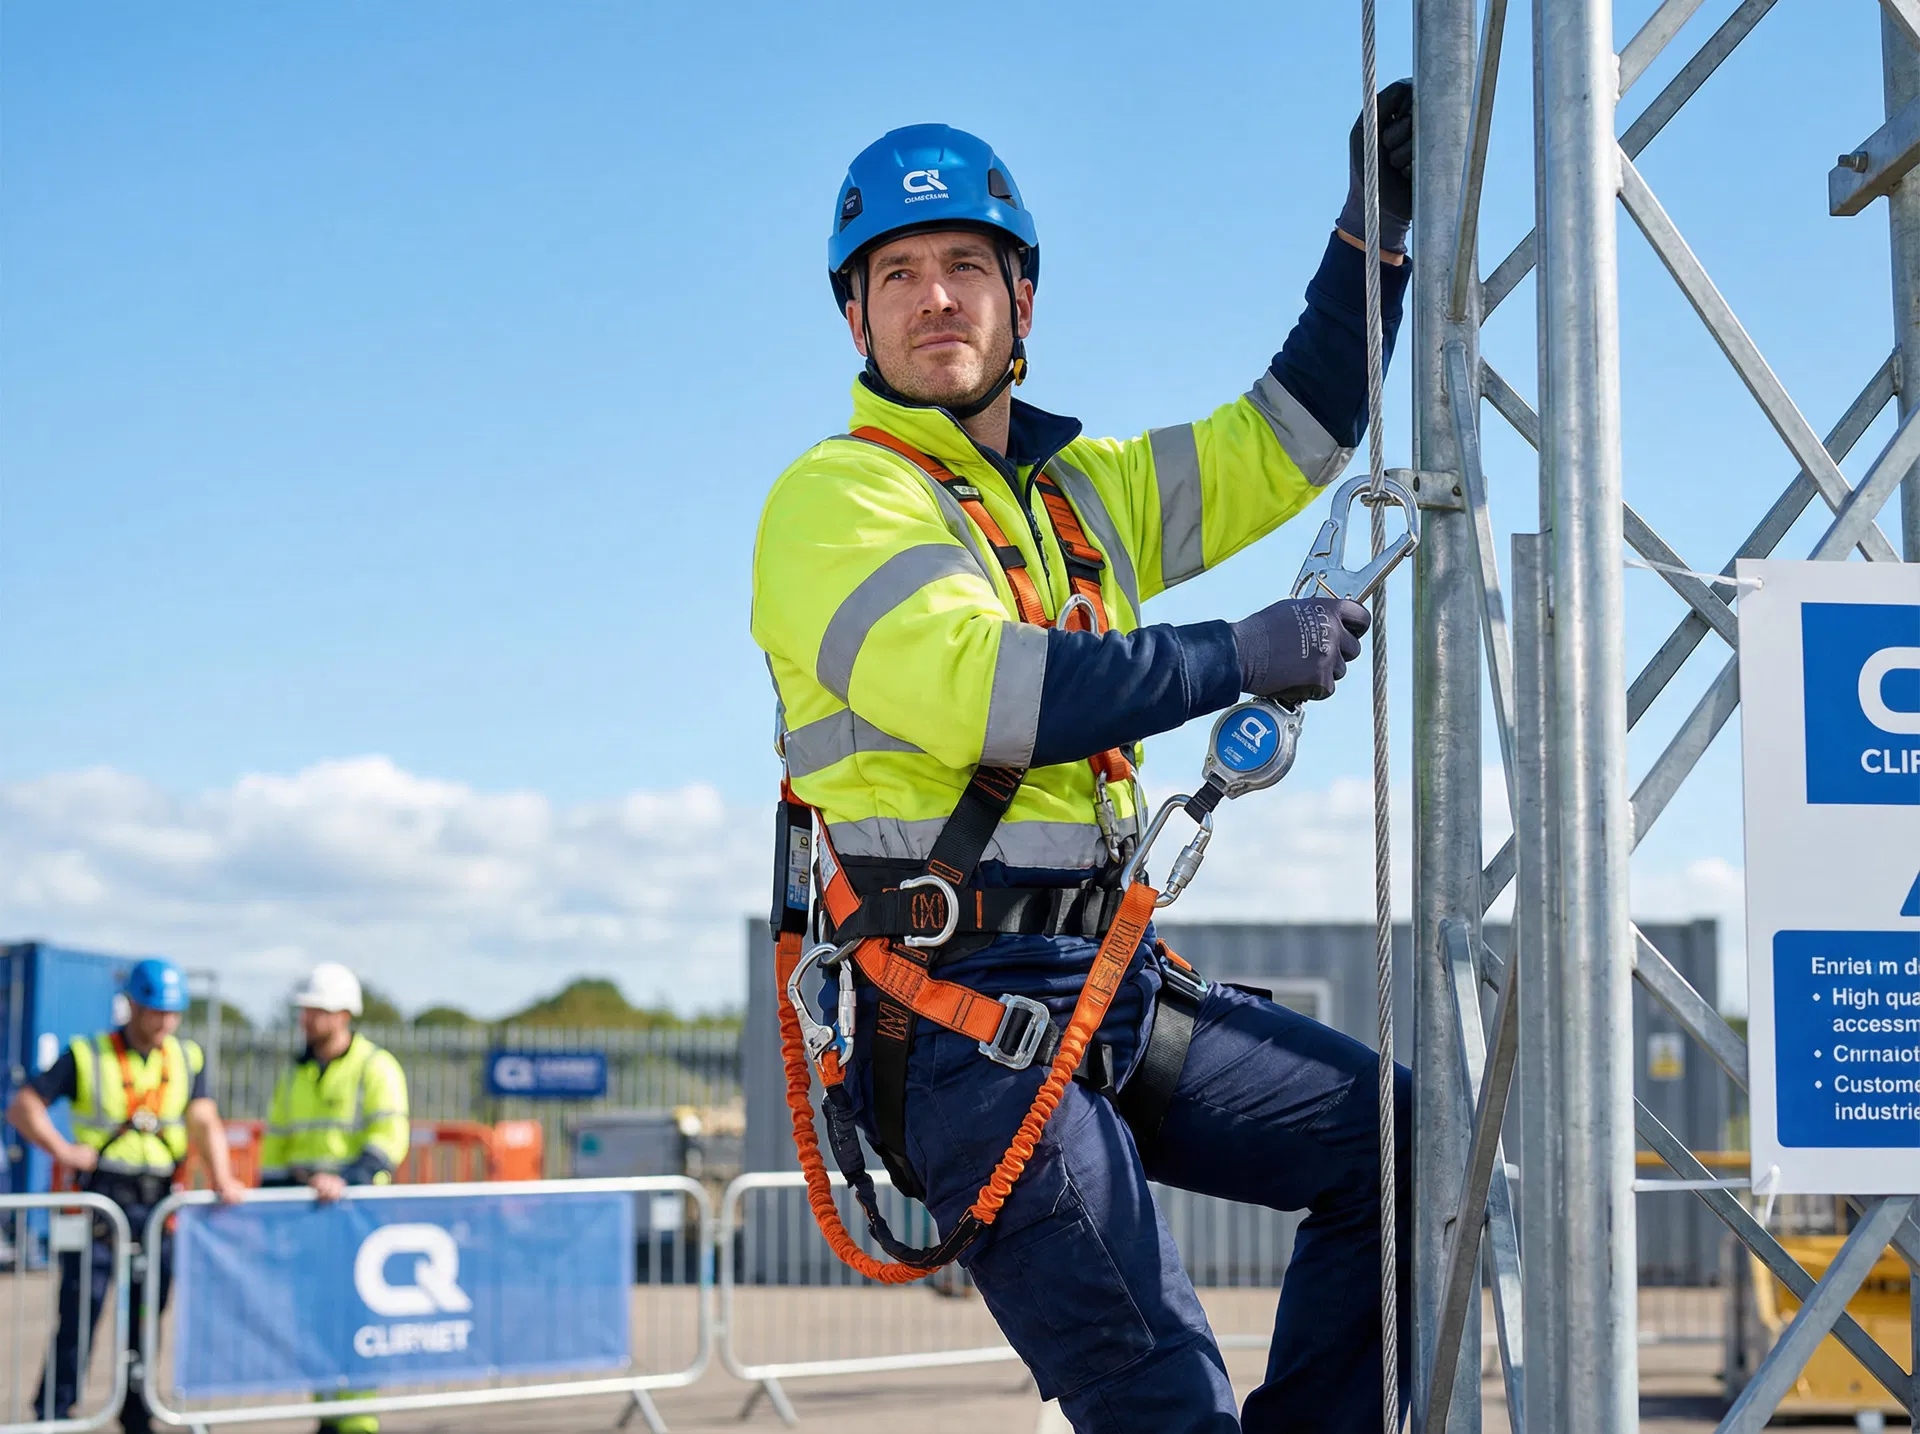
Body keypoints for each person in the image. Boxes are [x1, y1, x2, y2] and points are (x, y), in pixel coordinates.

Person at [751, 93, 1416, 1434]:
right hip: (963, 1018)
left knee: (1406, 1151)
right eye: (898, 274)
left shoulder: (1079, 494)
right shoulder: (838, 497)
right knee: (1169, 1405)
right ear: (855, 319)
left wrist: (1373, 238)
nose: (937, 298)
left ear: (1022, 300)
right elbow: (986, 693)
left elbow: (1285, 438)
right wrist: (1240, 652)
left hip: (1107, 981)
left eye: (966, 265)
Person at [6, 957, 246, 1433]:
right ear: (133, 1006)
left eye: (173, 1013)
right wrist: (64, 1151)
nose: (165, 1023)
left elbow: (203, 1119)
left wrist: (223, 1177)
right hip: (99, 1201)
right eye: (157, 1012)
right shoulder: (88, 1054)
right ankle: (55, 1411)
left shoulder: (186, 1058)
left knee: (148, 1314)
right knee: (81, 1309)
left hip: (158, 1204)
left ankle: (137, 1410)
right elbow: (24, 1106)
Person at [260, 962, 409, 1434]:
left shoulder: (375, 1067)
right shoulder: (295, 1074)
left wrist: (344, 1179)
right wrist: (271, 1203)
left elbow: (389, 1139)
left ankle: (357, 1423)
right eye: (304, 1010)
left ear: (344, 1014)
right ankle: (328, 1416)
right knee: (315, 1322)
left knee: (355, 1323)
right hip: (308, 1220)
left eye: (316, 1011)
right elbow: (276, 1146)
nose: (305, 1019)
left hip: (357, 1220)